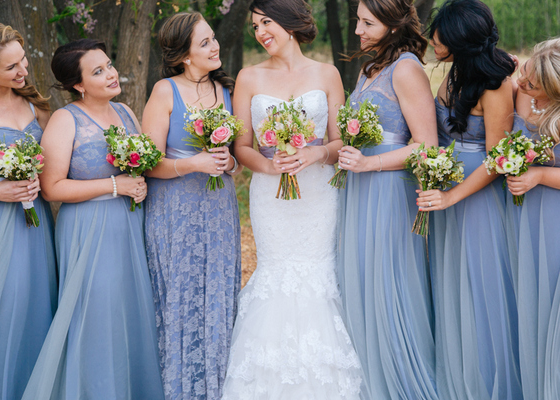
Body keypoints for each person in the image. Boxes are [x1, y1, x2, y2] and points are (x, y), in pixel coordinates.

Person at [221, 0, 362, 397]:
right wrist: (269, 169)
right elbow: (242, 146)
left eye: (266, 22)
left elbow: (339, 141)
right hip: (271, 193)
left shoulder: (328, 73)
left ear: (290, 23)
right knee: (277, 273)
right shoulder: (248, 77)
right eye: (255, 26)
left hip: (319, 191)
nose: (260, 32)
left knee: (319, 273)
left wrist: (316, 153)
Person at [21, 39, 164, 399]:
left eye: (109, 65)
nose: (111, 73)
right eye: (98, 71)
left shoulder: (127, 113)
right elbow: (51, 187)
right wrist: (116, 185)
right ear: (79, 84)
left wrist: (138, 185)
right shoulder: (65, 119)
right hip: (89, 229)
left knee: (129, 314)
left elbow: (138, 169)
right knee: (97, 317)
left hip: (129, 227)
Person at [414, 1, 522, 398]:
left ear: (459, 38)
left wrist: (452, 196)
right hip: (446, 193)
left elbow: (498, 158)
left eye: (439, 33)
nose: (432, 38)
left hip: (475, 200)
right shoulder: (454, 72)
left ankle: (486, 384)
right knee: (450, 286)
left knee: (480, 290)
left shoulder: (496, 86)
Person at [335, 0, 439, 398]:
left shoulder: (407, 69)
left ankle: (401, 385)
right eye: (358, 21)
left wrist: (367, 164)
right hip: (359, 191)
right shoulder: (368, 68)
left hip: (388, 193)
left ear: (393, 26)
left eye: (367, 23)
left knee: (389, 290)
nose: (358, 30)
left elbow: (425, 144)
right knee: (360, 284)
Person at [142, 12, 241, 400]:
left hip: (219, 209)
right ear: (184, 55)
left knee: (218, 294)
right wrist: (193, 163)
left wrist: (227, 162)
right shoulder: (165, 92)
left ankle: (217, 385)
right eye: (204, 43)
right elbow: (149, 163)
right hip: (174, 212)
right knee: (180, 299)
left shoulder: (227, 91)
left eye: (213, 38)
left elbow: (235, 158)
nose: (215, 46)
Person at [506, 36, 560, 400]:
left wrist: (541, 175)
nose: (523, 86)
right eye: (525, 73)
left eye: (532, 84)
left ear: (557, 92)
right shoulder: (521, 81)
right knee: (528, 312)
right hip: (524, 221)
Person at [0, 21, 57, 400]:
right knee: (5, 310)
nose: (23, 72)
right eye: (11, 67)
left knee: (37, 306)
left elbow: (55, 160)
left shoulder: (35, 104)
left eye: (23, 61)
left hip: (36, 227)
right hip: (1, 225)